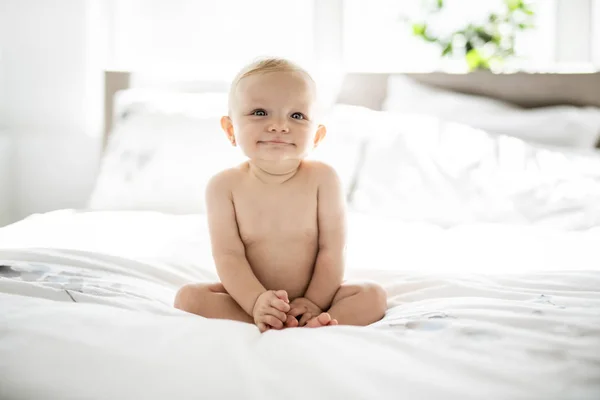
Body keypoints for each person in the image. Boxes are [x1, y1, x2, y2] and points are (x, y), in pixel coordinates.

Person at [174, 58, 386, 332]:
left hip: (317, 297)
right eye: (260, 112)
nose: (279, 126)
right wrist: (256, 302)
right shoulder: (223, 187)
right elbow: (229, 256)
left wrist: (313, 301)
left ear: (317, 136)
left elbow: (331, 251)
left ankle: (312, 322)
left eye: (296, 116)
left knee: (373, 296)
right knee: (188, 298)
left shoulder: (323, 179)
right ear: (230, 130)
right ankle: (270, 321)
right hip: (249, 299)